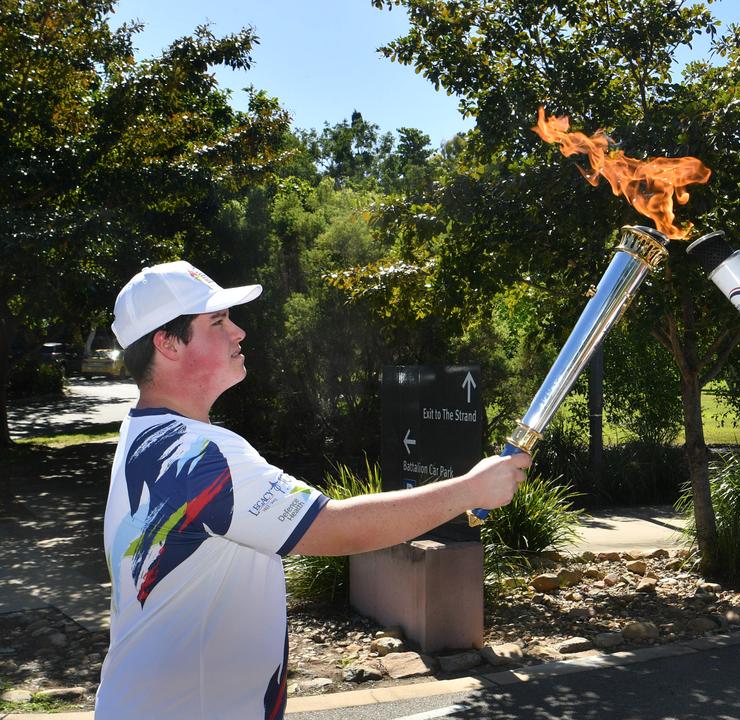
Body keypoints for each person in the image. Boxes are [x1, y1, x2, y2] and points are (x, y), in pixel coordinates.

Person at [94, 261, 532, 719]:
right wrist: (470, 489)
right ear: (167, 343)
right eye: (218, 322)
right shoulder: (197, 455)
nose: (239, 332)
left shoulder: (145, 435)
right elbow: (336, 528)